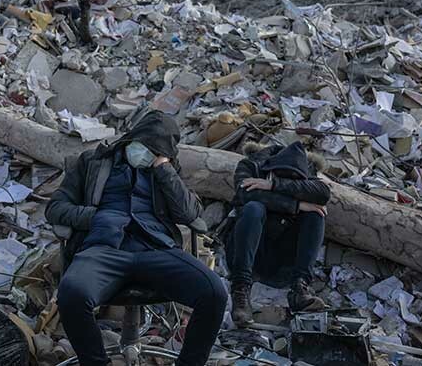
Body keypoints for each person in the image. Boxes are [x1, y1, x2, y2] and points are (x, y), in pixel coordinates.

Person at [46, 112, 227, 366]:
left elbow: (191, 214)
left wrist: (163, 169)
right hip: (104, 247)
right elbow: (55, 208)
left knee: (214, 292)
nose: (145, 152)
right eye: (143, 144)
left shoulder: (165, 170)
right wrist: (94, 217)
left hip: (156, 248)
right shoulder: (93, 161)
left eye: (155, 150)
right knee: (71, 293)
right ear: (131, 138)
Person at [226, 141, 330, 326]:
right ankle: (240, 290)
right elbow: (243, 194)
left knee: (316, 214)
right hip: (251, 252)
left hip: (282, 260)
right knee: (253, 208)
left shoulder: (306, 169)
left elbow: (323, 194)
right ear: (271, 170)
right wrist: (296, 204)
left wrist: (274, 186)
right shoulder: (250, 165)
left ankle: (300, 288)